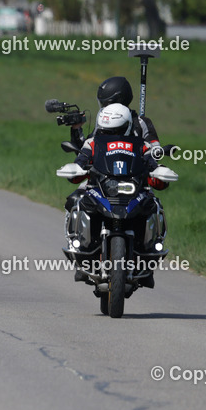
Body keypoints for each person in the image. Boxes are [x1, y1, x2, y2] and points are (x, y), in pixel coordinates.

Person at [67, 103, 169, 287]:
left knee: (153, 204)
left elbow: (152, 165)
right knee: (78, 200)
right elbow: (81, 160)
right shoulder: (93, 143)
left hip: (132, 191)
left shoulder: (142, 146)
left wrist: (159, 172)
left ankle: (147, 254)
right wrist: (76, 168)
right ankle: (82, 246)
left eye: (116, 130)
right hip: (101, 189)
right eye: (106, 131)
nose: (110, 135)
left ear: (127, 126)